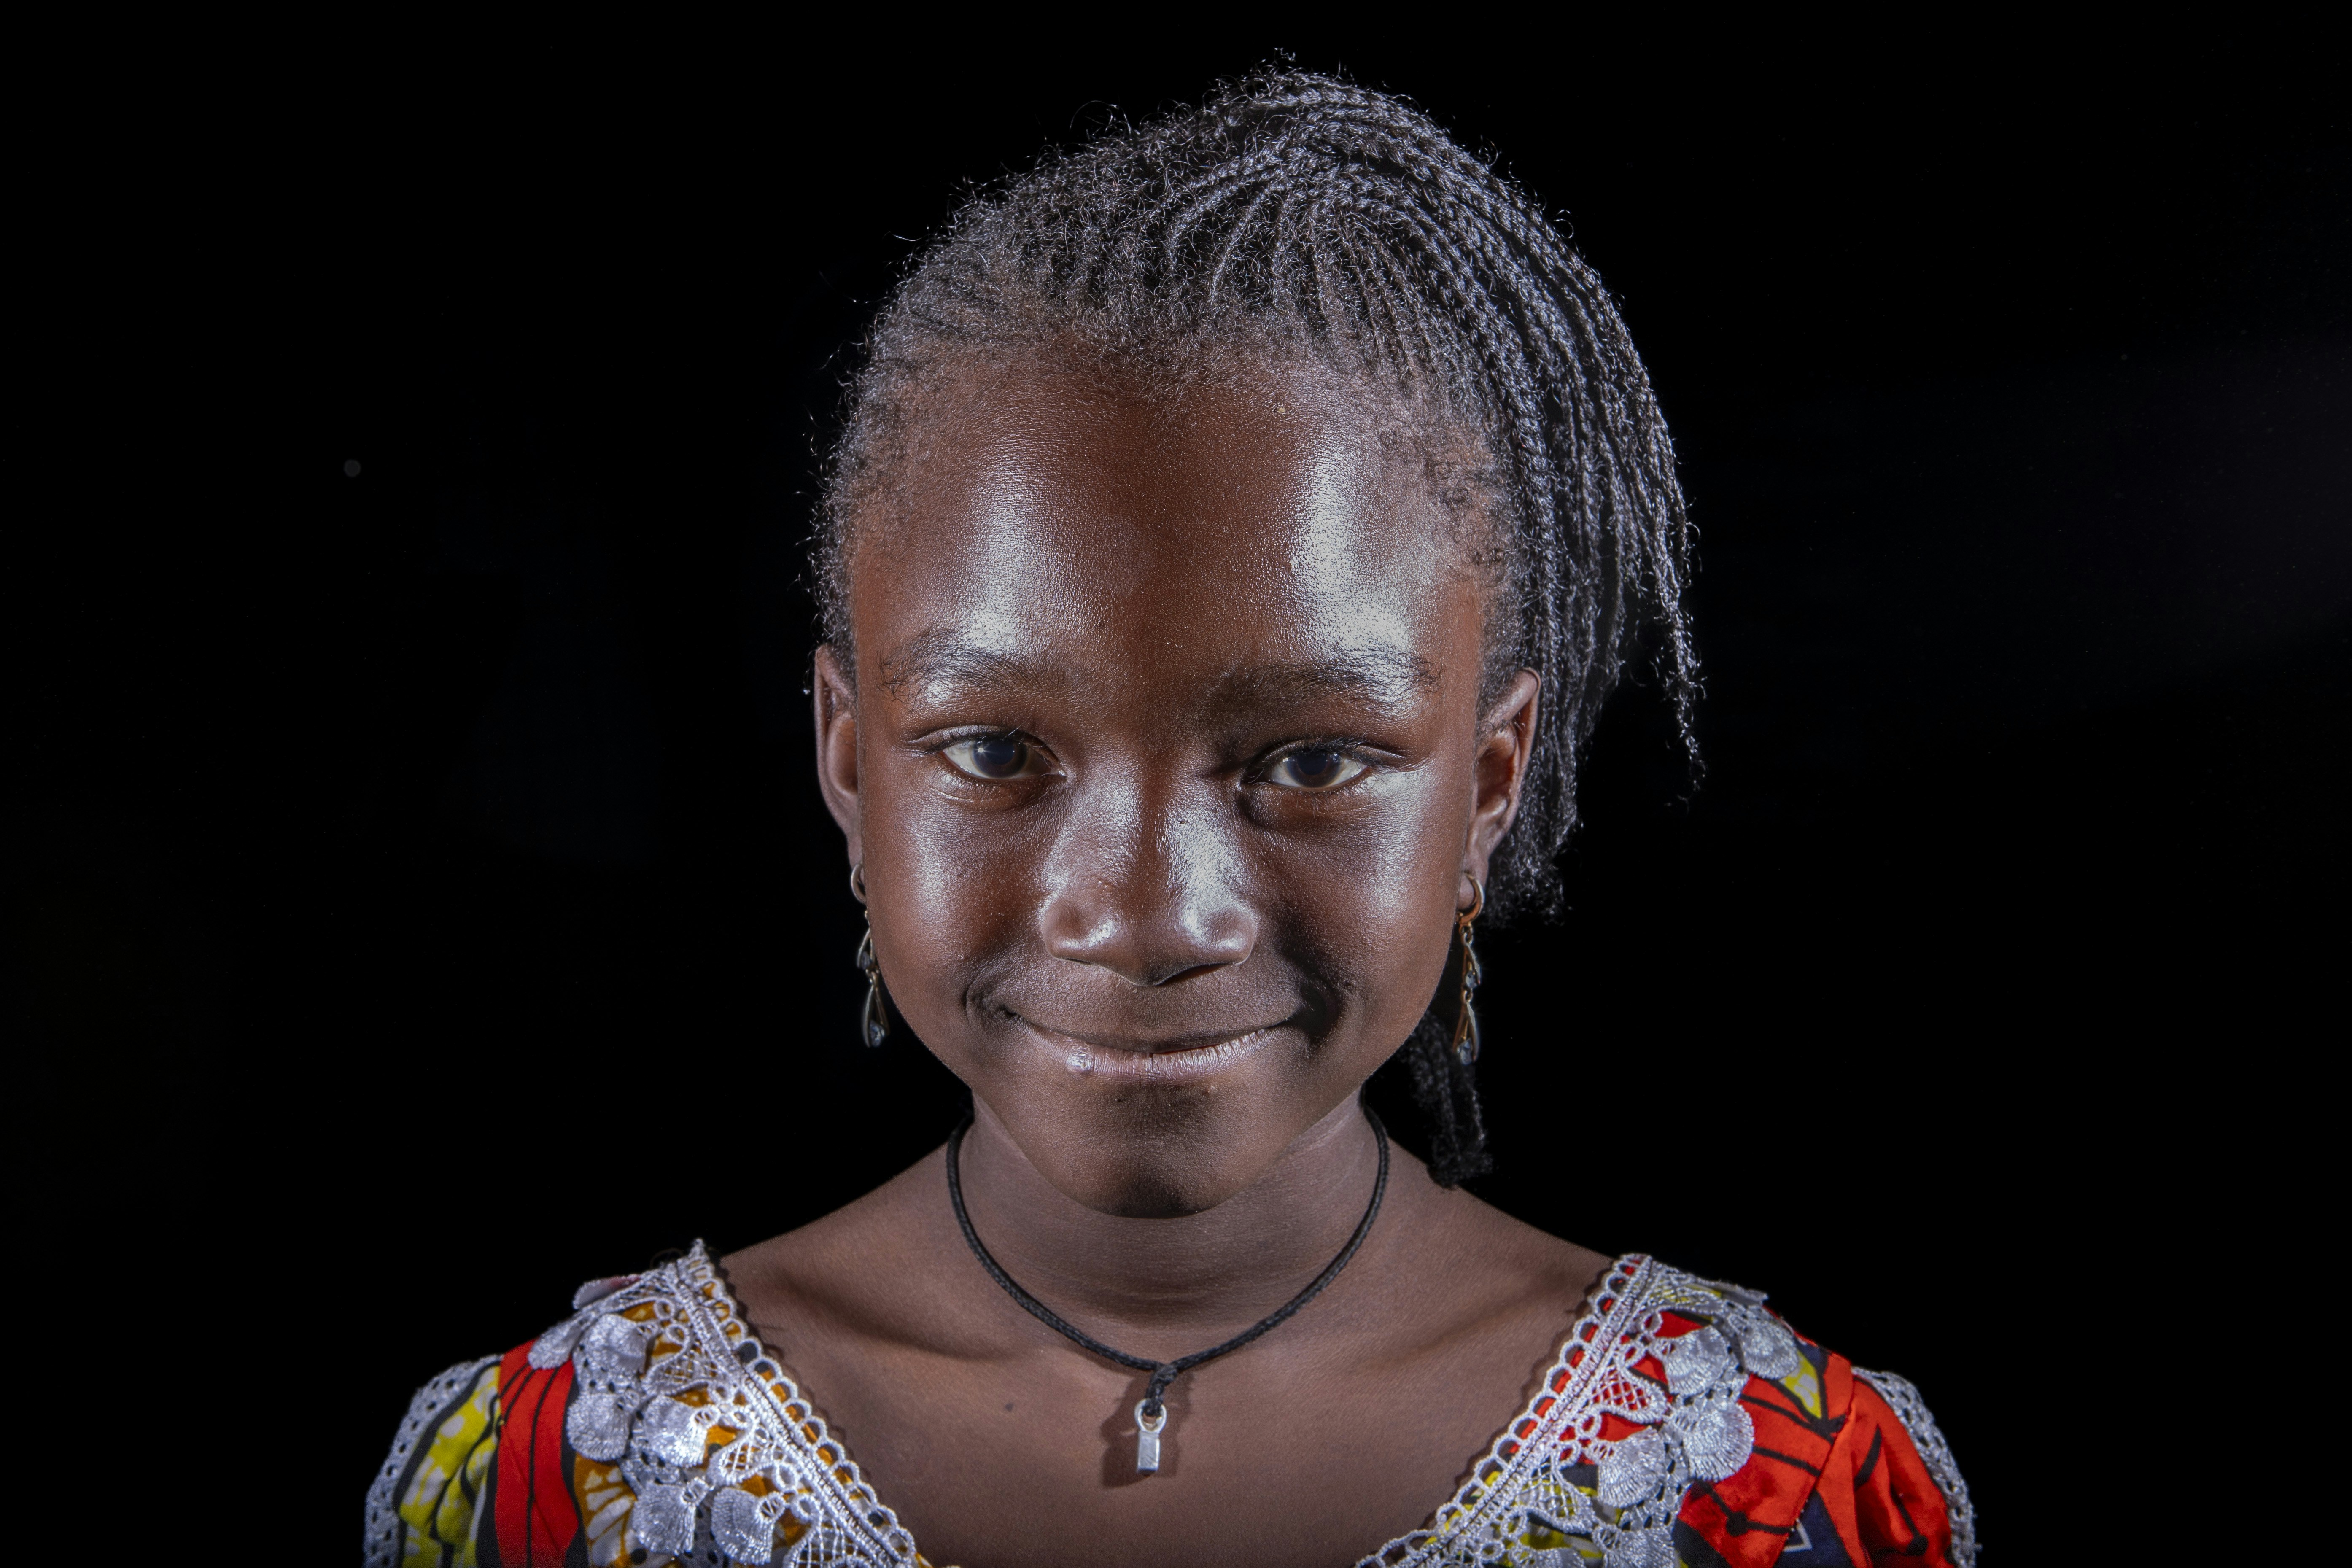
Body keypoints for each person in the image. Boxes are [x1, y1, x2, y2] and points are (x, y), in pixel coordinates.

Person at [366, 74, 1974, 1568]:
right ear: (848, 764)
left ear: (1487, 785)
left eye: (1310, 762)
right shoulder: (549, 1477)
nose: (1141, 916)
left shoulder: (1779, 1485)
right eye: (994, 749)